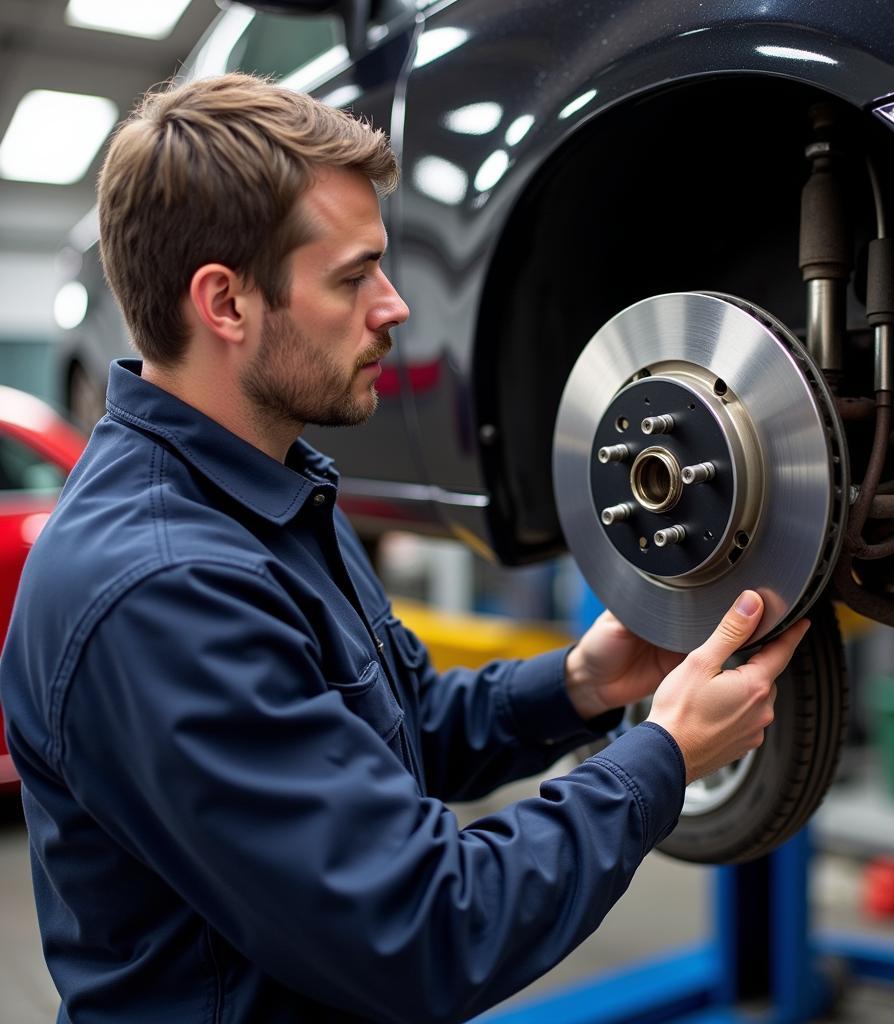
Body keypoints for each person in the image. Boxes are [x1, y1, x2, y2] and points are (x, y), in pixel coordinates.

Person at [0, 73, 808, 1023]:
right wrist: (663, 758)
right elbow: (424, 928)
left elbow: (400, 731)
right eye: (352, 277)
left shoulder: (270, 489)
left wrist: (584, 683)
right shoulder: (161, 590)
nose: (395, 306)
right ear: (225, 303)